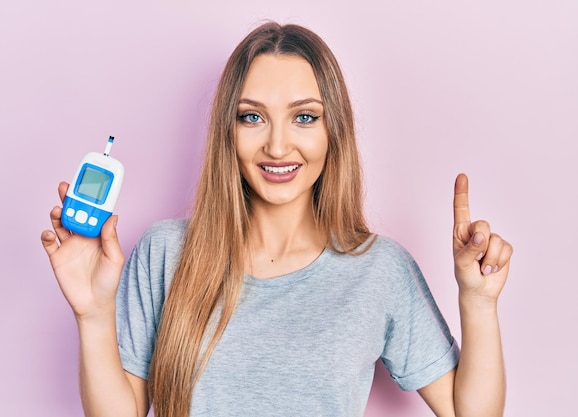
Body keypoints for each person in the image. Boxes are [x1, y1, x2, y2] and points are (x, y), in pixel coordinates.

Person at [41, 22, 513, 417]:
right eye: (252, 118)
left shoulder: (380, 270)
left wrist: (478, 302)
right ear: (228, 131)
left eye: (304, 118)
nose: (278, 146)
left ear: (335, 132)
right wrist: (93, 313)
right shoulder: (166, 252)